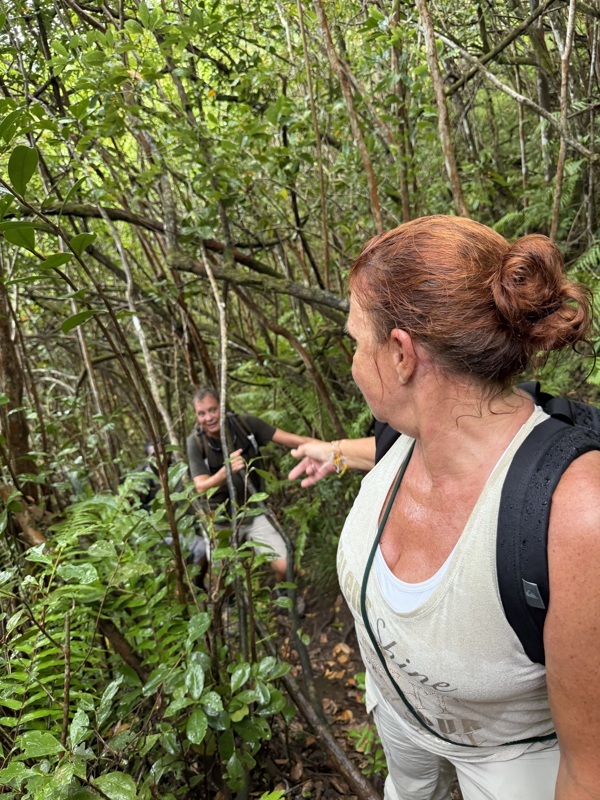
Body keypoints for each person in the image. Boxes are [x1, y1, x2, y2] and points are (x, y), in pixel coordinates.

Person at [290, 215, 600, 800]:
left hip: (510, 762)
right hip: (402, 720)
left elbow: (590, 770)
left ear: (402, 354)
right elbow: (385, 448)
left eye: (358, 341)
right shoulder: (417, 433)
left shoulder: (575, 517)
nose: (354, 363)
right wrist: (331, 452)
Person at [187, 387, 311, 582]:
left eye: (213, 410)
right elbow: (201, 487)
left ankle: (283, 595)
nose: (209, 418)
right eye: (201, 414)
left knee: (287, 568)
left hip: (254, 511)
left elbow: (291, 440)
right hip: (219, 521)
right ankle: (230, 609)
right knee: (222, 581)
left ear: (222, 407)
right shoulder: (195, 442)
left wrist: (331, 448)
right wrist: (225, 472)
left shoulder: (244, 425)